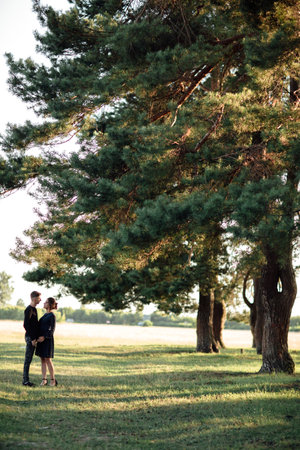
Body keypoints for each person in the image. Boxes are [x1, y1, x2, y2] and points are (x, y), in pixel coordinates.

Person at [36, 297, 58, 386]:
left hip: (47, 340)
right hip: (41, 340)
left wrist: (44, 337)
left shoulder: (52, 316)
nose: (43, 303)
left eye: (45, 302)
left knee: (48, 360)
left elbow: (52, 330)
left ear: (49, 304)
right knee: (42, 359)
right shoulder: (45, 315)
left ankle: (53, 380)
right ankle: (44, 380)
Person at [22, 291, 42, 386]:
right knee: (28, 359)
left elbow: (34, 325)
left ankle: (26, 380)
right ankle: (25, 381)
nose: (40, 300)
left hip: (34, 338)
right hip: (30, 338)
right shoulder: (29, 309)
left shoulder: (35, 310)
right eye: (39, 298)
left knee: (29, 359)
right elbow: (26, 325)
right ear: (34, 299)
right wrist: (33, 338)